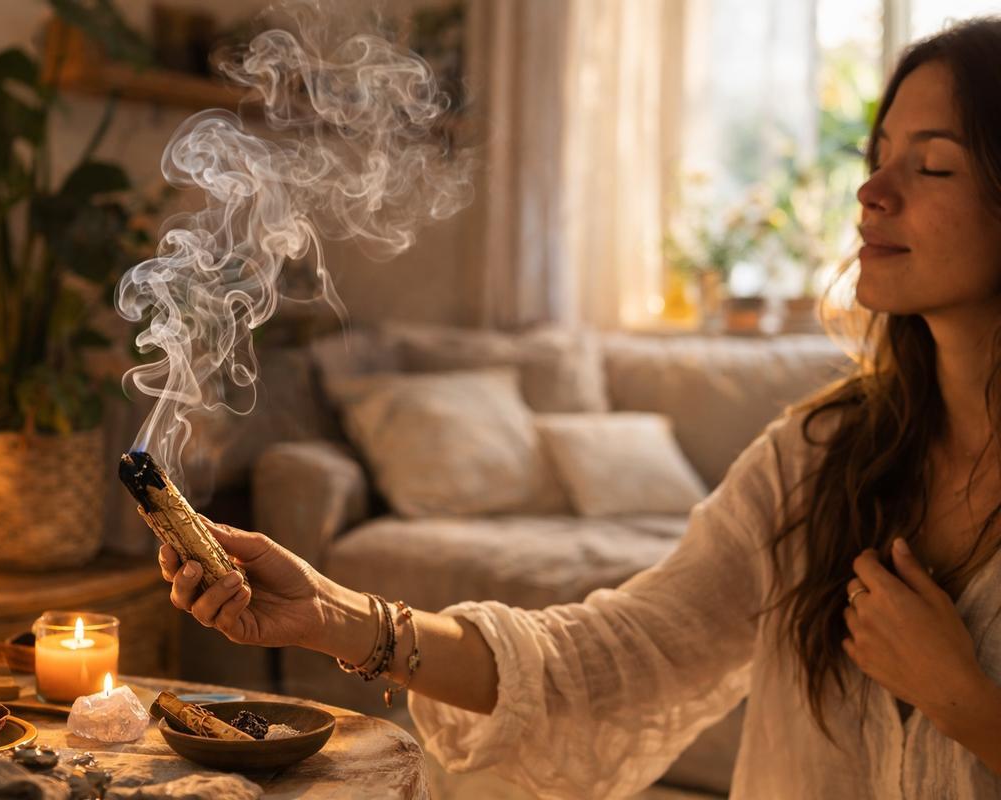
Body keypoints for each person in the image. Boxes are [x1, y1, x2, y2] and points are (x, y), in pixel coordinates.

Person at [158, 17, 1001, 798]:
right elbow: (612, 657)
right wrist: (329, 616)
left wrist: (963, 701)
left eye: (931, 166)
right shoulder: (818, 460)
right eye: (876, 156)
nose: (872, 193)